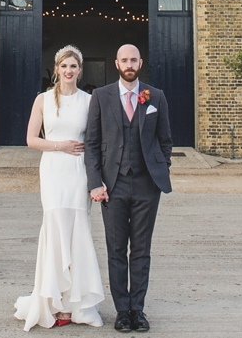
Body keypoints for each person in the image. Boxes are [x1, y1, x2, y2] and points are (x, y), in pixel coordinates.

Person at [15, 46, 105, 330]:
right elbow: (31, 139)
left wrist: (97, 179)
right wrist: (59, 145)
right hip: (53, 171)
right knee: (54, 228)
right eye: (64, 66)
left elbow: (95, 142)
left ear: (80, 70)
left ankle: (75, 306)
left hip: (78, 173)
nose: (69, 71)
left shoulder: (90, 101)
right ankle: (51, 303)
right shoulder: (42, 100)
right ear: (57, 69)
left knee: (77, 230)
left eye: (74, 67)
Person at [85, 44, 173, 333]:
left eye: (133, 59)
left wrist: (160, 168)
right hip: (113, 185)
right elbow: (93, 145)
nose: (129, 64)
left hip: (147, 185)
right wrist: (95, 182)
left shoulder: (155, 96)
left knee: (142, 250)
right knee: (116, 249)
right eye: (124, 59)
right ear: (116, 63)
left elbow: (165, 140)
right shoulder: (101, 96)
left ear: (140, 62)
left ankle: (138, 309)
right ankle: (122, 311)